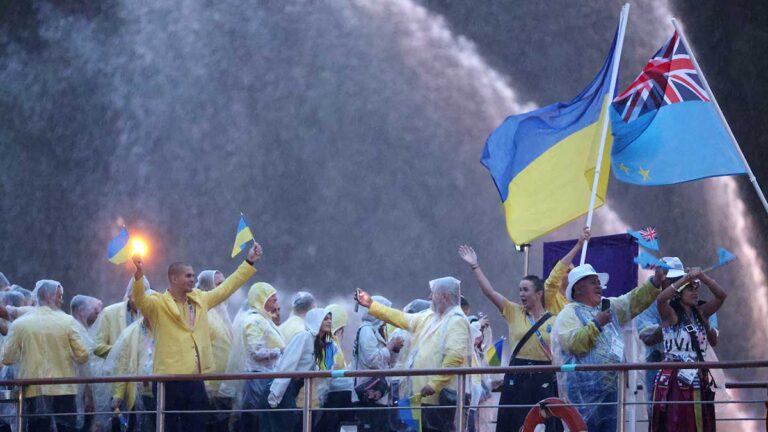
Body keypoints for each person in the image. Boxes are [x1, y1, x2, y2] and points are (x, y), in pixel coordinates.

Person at [130, 242, 263, 432]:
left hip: (195, 379)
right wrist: (138, 275)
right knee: (170, 428)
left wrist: (248, 261)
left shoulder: (200, 299)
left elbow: (227, 288)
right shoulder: (158, 304)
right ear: (173, 278)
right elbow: (140, 299)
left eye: (193, 275)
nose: (193, 279)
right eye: (188, 275)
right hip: (168, 380)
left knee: (197, 426)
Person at [458, 243, 567, 432]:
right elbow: (489, 292)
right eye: (520, 290)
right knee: (513, 422)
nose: (521, 294)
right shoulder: (513, 311)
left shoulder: (555, 320)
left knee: (548, 424)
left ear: (539, 293)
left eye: (526, 290)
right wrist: (475, 266)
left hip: (545, 375)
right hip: (517, 374)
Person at [553, 263, 664, 431]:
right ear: (578, 289)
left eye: (598, 282)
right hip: (583, 393)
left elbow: (632, 301)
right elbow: (573, 343)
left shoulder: (608, 307)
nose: (599, 285)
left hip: (611, 388)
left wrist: (655, 282)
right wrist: (597, 323)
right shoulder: (568, 314)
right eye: (593, 282)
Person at [355, 277, 470, 432]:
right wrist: (371, 305)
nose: (430, 298)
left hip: (437, 399)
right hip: (419, 398)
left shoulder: (457, 320)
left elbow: (454, 358)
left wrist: (434, 384)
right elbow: (401, 318)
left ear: (444, 296)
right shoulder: (430, 317)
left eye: (433, 294)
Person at [635, 257, 720, 417]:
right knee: (659, 415)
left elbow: (713, 339)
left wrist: (698, 319)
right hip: (659, 364)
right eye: (669, 280)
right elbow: (647, 338)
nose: (673, 284)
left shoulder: (701, 306)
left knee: (695, 417)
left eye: (678, 280)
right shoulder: (652, 304)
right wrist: (671, 323)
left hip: (695, 364)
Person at [2, 280, 89, 432]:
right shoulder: (67, 321)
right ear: (50, 297)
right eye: (59, 296)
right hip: (64, 389)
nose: (62, 300)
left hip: (33, 390)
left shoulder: (20, 324)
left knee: (37, 429)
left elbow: (7, 358)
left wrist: (26, 354)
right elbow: (83, 355)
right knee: (66, 429)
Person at [651, 266, 726, 432]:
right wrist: (685, 278)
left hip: (699, 379)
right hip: (673, 382)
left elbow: (721, 296)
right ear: (679, 293)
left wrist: (702, 276)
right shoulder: (670, 314)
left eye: (696, 288)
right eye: (690, 289)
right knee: (675, 424)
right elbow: (661, 299)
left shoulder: (702, 313)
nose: (695, 292)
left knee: (699, 424)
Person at [264, 308, 334, 432]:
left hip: (292, 388)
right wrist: (275, 394)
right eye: (325, 319)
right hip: (281, 388)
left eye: (330, 319)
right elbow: (287, 364)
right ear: (316, 320)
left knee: (290, 423)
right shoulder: (304, 337)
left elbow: (320, 370)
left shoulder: (319, 343)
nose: (329, 322)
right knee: (287, 423)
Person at [227, 282, 284, 431]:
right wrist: (279, 352)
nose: (276, 303)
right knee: (255, 419)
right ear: (262, 300)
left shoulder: (264, 319)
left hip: (264, 376)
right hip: (258, 378)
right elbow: (256, 352)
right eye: (273, 299)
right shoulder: (255, 321)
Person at [351, 296, 403, 432]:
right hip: (367, 397)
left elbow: (388, 364)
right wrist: (390, 346)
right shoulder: (366, 330)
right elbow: (372, 360)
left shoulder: (377, 331)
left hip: (379, 396)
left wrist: (395, 350)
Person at [196, 270, 235, 432]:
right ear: (207, 287)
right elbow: (199, 349)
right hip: (210, 388)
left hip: (224, 387)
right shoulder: (203, 313)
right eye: (219, 284)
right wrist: (205, 384)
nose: (223, 288)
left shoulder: (222, 311)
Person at [106, 317, 157, 432]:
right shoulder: (131, 332)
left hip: (165, 392)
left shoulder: (167, 327)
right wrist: (118, 394)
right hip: (137, 393)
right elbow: (122, 366)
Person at [316, 303, 355, 432]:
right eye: (342, 328)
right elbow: (331, 369)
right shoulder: (330, 343)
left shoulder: (324, 340)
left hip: (323, 395)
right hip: (327, 396)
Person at [93, 277, 150, 358]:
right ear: (128, 295)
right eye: (134, 296)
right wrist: (119, 351)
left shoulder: (152, 314)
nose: (136, 301)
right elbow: (96, 347)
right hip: (119, 369)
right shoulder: (109, 313)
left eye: (141, 298)